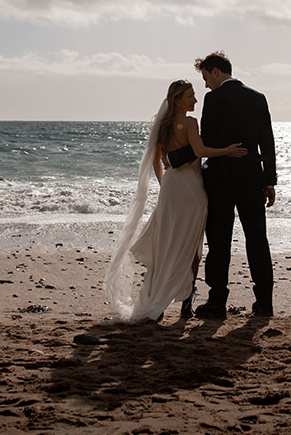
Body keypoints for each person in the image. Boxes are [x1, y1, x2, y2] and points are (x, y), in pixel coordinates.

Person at [104, 80, 245, 322]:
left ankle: (155, 298)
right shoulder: (190, 122)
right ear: (178, 99)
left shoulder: (163, 126)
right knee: (191, 248)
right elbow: (199, 151)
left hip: (171, 189)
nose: (195, 100)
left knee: (165, 243)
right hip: (191, 190)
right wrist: (227, 151)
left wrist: (165, 185)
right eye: (191, 96)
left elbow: (157, 161)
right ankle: (186, 304)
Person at [193, 51, 277, 319]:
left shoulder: (214, 99)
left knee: (219, 242)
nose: (205, 84)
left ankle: (217, 301)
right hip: (252, 176)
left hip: (221, 178)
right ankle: (264, 302)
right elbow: (268, 143)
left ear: (216, 71)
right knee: (257, 240)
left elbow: (207, 140)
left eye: (206, 77)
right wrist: (270, 181)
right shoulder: (257, 97)